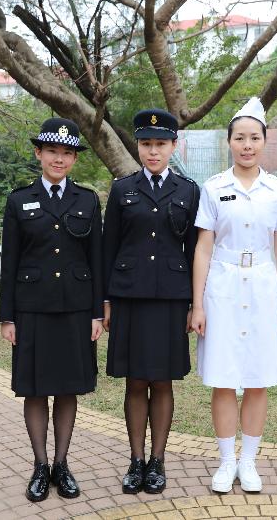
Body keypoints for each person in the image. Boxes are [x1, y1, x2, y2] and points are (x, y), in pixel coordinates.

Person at [191, 97, 277, 493]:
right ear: (229, 142)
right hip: (223, 286)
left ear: (264, 141)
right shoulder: (214, 187)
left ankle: (248, 462)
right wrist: (198, 303)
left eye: (254, 138)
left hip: (265, 285)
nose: (247, 145)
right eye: (240, 138)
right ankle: (224, 461)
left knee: (256, 379)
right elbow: (204, 246)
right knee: (222, 377)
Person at [0, 118, 103, 502]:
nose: (59, 159)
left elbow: (96, 260)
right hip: (32, 309)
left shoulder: (87, 200)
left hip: (75, 308)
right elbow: (9, 263)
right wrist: (7, 316)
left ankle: (62, 463)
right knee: (36, 389)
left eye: (67, 153)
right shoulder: (18, 199)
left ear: (74, 158)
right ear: (39, 153)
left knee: (68, 388)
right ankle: (40, 466)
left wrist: (97, 313)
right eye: (52, 151)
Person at [102, 109, 199, 495]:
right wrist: (106, 301)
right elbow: (108, 248)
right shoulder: (122, 189)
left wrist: (194, 303)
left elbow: (194, 251)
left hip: (171, 298)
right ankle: (136, 460)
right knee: (135, 379)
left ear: (174, 146)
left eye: (160, 144)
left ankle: (158, 461)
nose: (153, 151)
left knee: (162, 380)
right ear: (139, 147)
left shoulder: (189, 190)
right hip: (129, 297)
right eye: (146, 144)